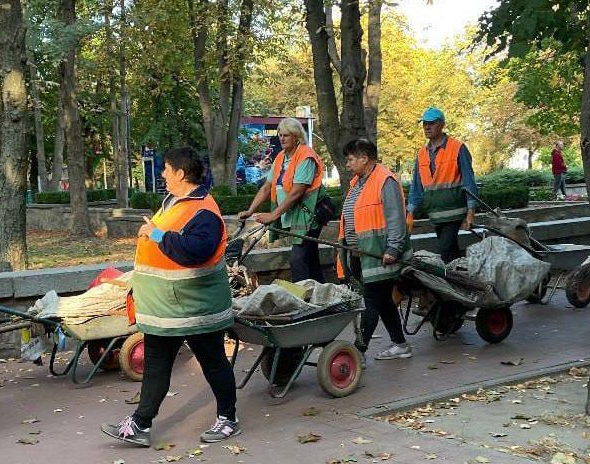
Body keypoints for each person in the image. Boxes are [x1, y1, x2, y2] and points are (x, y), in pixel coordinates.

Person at [101, 146, 239, 447]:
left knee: (213, 361)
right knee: (156, 363)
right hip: (168, 308)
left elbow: (196, 251)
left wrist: (158, 235)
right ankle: (140, 423)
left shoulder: (203, 211)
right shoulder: (178, 202)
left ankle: (228, 418)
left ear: (180, 173)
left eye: (165, 168)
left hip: (196, 307)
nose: (162, 174)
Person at [337, 139, 412, 361]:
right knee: (383, 301)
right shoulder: (357, 183)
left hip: (381, 255)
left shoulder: (385, 180)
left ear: (364, 158)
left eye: (350, 160)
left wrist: (393, 249)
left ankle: (357, 353)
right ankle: (400, 344)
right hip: (363, 254)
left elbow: (396, 218)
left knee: (371, 302)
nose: (348, 165)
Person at [239, 118, 325, 282]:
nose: (281, 138)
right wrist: (250, 210)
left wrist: (273, 216)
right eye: (280, 135)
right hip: (298, 216)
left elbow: (296, 192)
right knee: (310, 260)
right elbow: (266, 187)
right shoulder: (281, 157)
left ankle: (304, 300)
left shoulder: (306, 156)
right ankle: (322, 296)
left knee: (298, 260)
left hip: (309, 215)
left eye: (286, 135)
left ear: (296, 137)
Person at [408, 107, 477, 263]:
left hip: (454, 212)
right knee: (451, 253)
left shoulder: (457, 148)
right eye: (424, 123)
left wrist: (471, 211)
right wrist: (410, 213)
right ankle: (461, 279)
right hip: (435, 214)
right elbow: (416, 186)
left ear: (442, 125)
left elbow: (469, 180)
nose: (427, 127)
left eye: (431, 123)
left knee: (445, 251)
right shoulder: (421, 154)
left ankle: (452, 279)